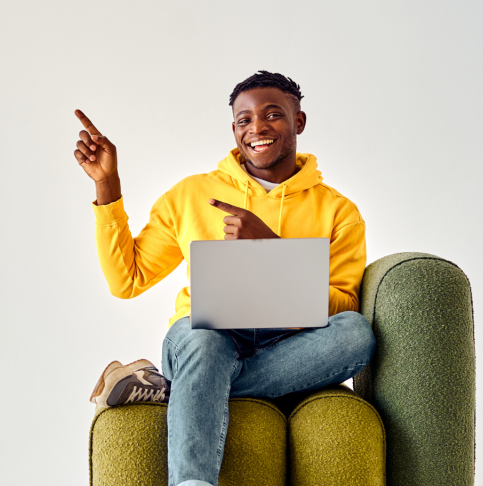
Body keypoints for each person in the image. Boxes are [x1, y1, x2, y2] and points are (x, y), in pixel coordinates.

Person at [72, 71, 377, 486]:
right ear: (234, 129)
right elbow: (127, 279)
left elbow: (343, 306)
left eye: (273, 115)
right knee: (204, 341)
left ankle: (181, 387)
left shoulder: (339, 211)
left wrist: (270, 249)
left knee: (356, 334)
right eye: (244, 120)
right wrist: (107, 184)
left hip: (290, 341)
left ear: (298, 122)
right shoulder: (190, 195)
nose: (257, 128)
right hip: (207, 335)